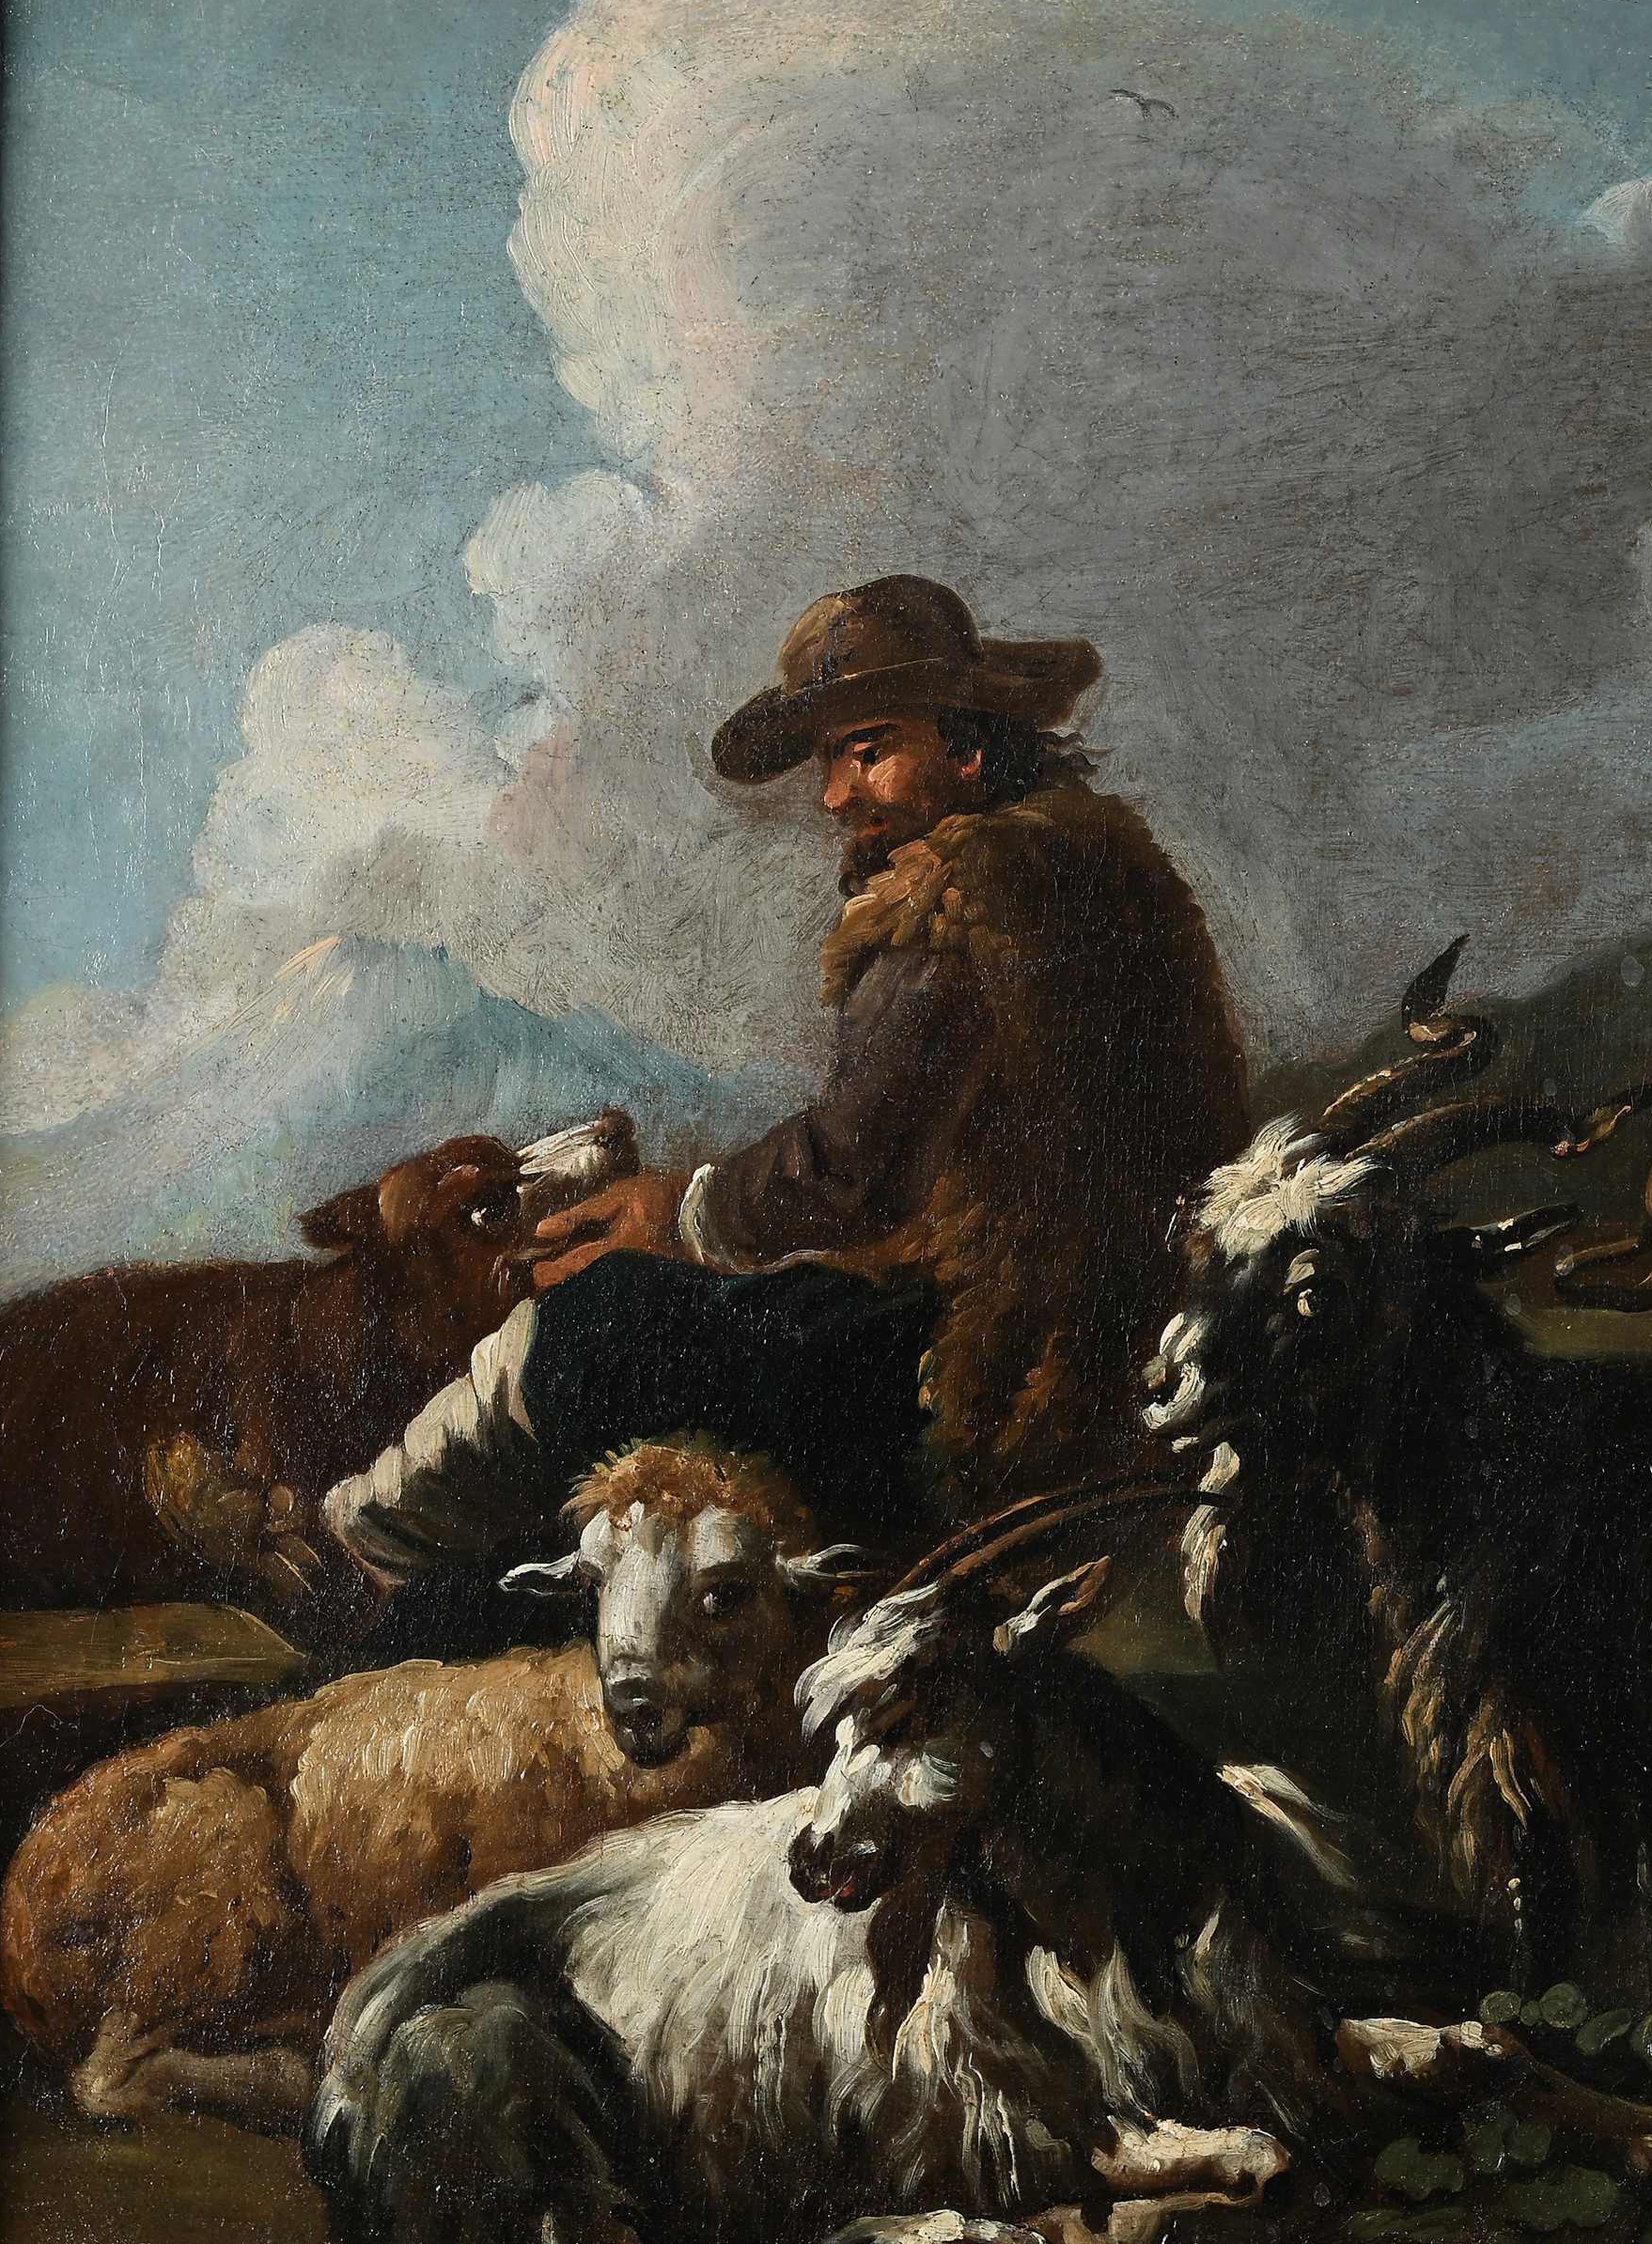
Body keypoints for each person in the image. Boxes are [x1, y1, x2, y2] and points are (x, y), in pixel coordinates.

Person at [314, 576, 1249, 1603]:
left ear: (969, 750)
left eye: (868, 749)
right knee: (706, 1325)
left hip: (993, 1393)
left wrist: (681, 1214)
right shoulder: (1101, 875)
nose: (835, 795)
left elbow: (854, 1172)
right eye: (829, 759)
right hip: (1111, 1357)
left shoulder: (969, 900)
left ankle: (358, 1550)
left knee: (597, 1322)